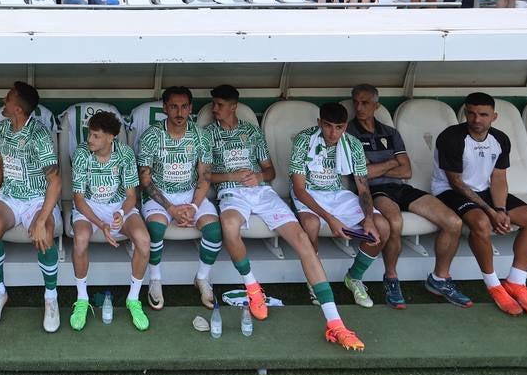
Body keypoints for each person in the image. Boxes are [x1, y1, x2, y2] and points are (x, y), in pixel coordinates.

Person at [202, 85, 364, 348]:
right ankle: (253, 288)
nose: (214, 109)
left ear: (233, 107)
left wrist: (257, 176)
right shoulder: (206, 134)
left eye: (219, 104)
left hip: (262, 192)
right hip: (231, 192)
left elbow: (270, 172)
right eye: (213, 104)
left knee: (302, 239)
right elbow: (206, 176)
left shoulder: (252, 132)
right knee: (229, 226)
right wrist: (233, 176)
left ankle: (335, 323)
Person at [345, 85, 472, 309]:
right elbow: (361, 174)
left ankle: (440, 278)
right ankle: (391, 278)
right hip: (371, 190)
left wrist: (378, 166)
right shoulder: (349, 133)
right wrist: (391, 162)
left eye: (365, 103)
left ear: (377, 105)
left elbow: (407, 171)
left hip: (400, 187)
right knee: (395, 221)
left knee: (453, 222)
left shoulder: (391, 132)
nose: (359, 107)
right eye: (355, 102)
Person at [432, 92, 527, 316]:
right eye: (472, 114)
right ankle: (493, 284)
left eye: (483, 115)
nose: (477, 119)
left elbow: (499, 178)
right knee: (482, 222)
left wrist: (501, 209)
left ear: (494, 116)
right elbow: (456, 183)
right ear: (465, 113)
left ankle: (516, 281)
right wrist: (491, 211)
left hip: (483, 191)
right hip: (448, 191)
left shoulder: (501, 139)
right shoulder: (451, 137)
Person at [289, 102, 389, 312]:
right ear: (319, 123)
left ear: (345, 126)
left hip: (336, 193)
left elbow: (363, 188)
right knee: (311, 225)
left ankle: (354, 278)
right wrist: (330, 219)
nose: (333, 132)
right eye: (327, 126)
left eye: (339, 127)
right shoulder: (304, 139)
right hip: (308, 192)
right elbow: (299, 189)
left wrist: (369, 219)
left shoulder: (352, 144)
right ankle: (315, 280)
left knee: (382, 226)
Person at [0, 81, 62, 332]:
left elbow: (55, 181)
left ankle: (51, 298)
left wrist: (40, 219)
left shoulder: (39, 135)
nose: (3, 102)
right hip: (10, 196)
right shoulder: (3, 128)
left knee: (46, 233)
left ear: (18, 109)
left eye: (7, 99)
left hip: (38, 198)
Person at [136, 86, 219, 311]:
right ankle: (155, 279)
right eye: (174, 106)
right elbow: (145, 180)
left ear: (191, 108)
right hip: (160, 195)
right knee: (155, 229)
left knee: (214, 230)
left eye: (184, 107)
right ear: (165, 108)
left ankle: (202, 278)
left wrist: (192, 206)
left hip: (190, 193)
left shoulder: (200, 136)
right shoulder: (152, 136)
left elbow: (205, 176)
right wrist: (171, 209)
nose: (179, 112)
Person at [69, 111, 151, 332]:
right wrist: (101, 223)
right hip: (89, 206)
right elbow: (78, 198)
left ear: (110, 137)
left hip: (119, 207)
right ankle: (82, 298)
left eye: (96, 136)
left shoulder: (124, 154)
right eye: (89, 134)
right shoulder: (81, 154)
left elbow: (132, 195)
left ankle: (133, 299)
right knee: (80, 240)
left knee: (143, 241)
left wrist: (121, 214)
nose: (90, 140)